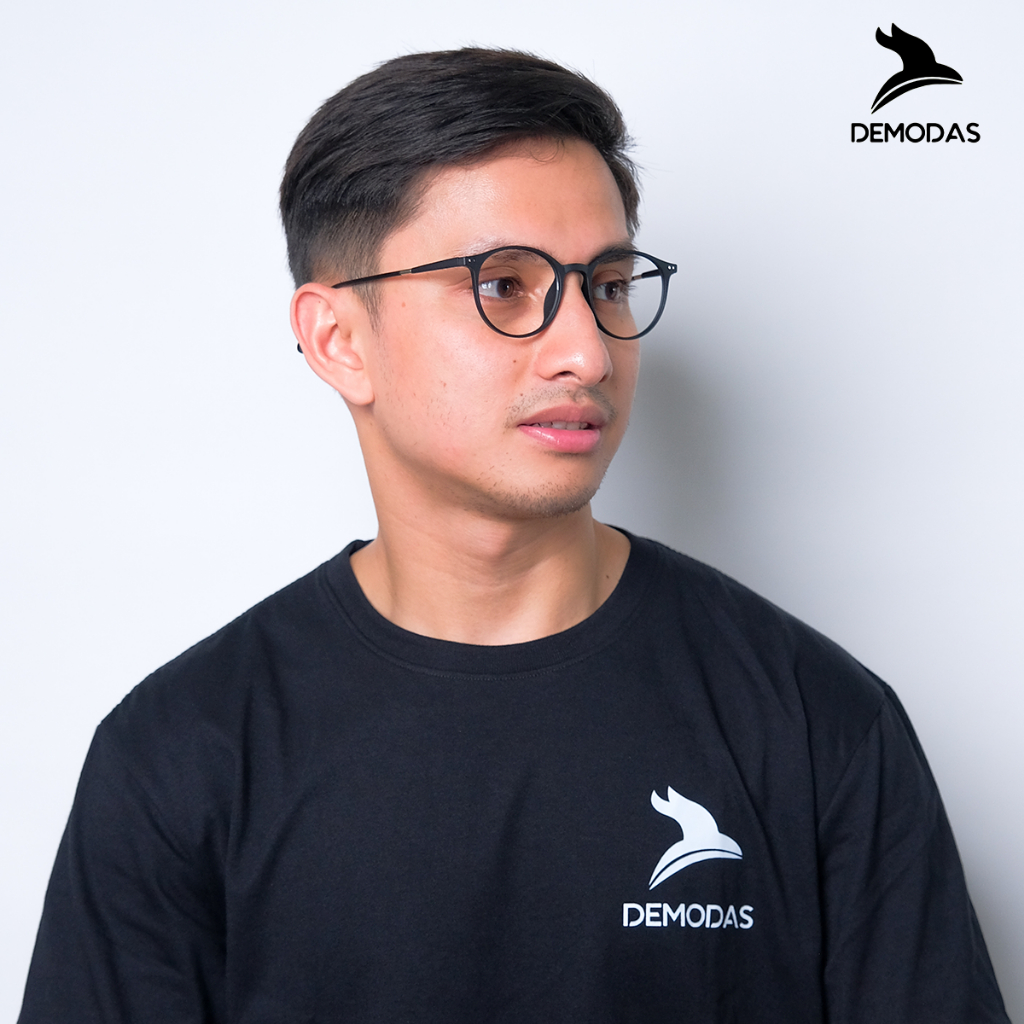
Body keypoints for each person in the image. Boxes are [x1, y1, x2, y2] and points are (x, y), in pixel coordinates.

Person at [18, 48, 1009, 1023]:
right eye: (503, 286)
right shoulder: (181, 753)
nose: (587, 352)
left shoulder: (816, 721)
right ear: (338, 340)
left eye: (608, 286)